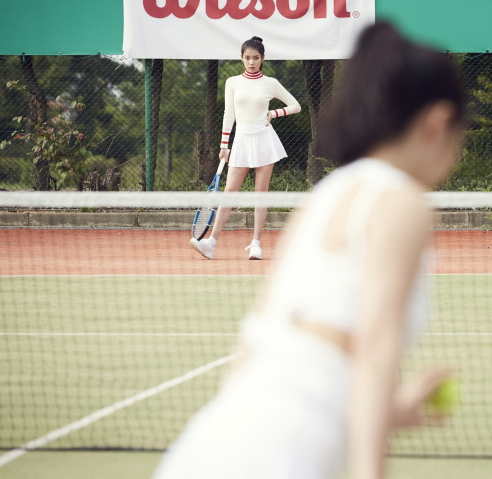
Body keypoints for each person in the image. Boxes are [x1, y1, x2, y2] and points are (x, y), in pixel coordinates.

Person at [154, 22, 465, 479]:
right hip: (277, 459)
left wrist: (391, 411)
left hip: (210, 446)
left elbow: (254, 345)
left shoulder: (327, 197)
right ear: (437, 124)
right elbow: (375, 353)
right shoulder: (402, 203)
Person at [190, 36, 301, 260]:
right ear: (241, 58)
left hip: (264, 139)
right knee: (229, 193)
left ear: (263, 59)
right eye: (247, 58)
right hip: (240, 140)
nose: (251, 62)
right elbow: (228, 115)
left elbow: (295, 106)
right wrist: (223, 145)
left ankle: (256, 245)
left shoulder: (270, 83)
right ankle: (211, 243)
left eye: (256, 58)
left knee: (261, 193)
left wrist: (273, 113)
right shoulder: (232, 82)